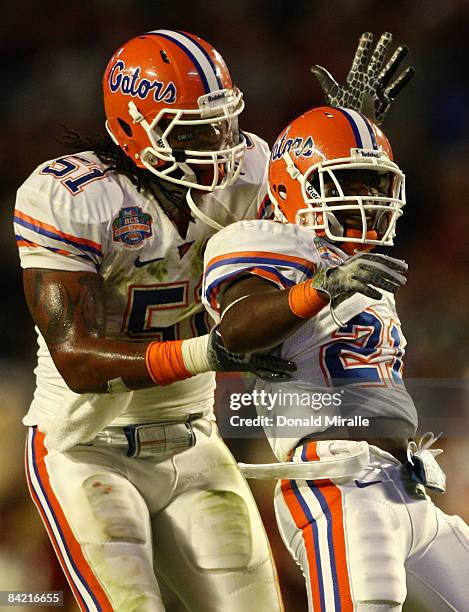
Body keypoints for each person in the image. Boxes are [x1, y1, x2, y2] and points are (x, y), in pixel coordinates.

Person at [14, 27, 413, 610]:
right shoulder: (72, 197)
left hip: (194, 440)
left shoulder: (247, 168)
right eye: (196, 130)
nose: (220, 143)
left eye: (224, 122)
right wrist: (211, 353)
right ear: (134, 128)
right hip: (84, 446)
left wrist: (347, 126)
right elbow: (77, 358)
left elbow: (312, 194)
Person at [202, 106, 469, 611]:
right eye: (347, 182)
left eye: (374, 185)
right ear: (288, 189)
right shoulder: (266, 243)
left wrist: (346, 122)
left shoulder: (352, 264)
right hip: (337, 478)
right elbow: (236, 331)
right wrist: (321, 288)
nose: (366, 201)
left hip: (405, 481)